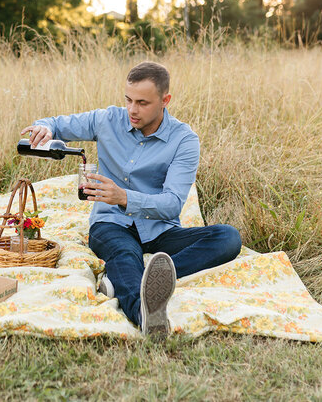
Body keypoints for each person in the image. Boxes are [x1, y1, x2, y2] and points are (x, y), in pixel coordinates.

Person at [20, 61, 241, 337]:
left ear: (165, 100)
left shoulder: (184, 140)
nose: (132, 110)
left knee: (228, 238)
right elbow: (56, 123)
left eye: (142, 103)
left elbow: (172, 203)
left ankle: (143, 275)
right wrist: (46, 129)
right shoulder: (108, 120)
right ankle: (144, 314)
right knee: (124, 253)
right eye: (128, 100)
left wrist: (123, 197)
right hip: (110, 224)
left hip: (160, 229)